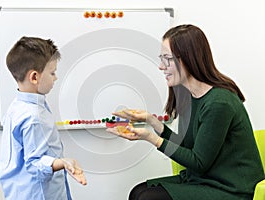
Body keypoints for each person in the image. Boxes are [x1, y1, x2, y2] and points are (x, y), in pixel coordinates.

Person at [107, 24, 264, 200]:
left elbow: (198, 162)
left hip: (231, 188)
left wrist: (151, 138)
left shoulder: (219, 103)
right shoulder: (190, 96)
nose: (161, 66)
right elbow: (187, 148)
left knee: (147, 198)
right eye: (161, 58)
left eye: (167, 58)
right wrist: (152, 122)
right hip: (203, 179)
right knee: (137, 192)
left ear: (189, 59)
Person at [0, 36, 87, 200]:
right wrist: (63, 162)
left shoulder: (18, 105)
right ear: (34, 77)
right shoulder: (34, 117)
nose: (55, 78)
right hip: (39, 194)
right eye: (52, 72)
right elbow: (34, 164)